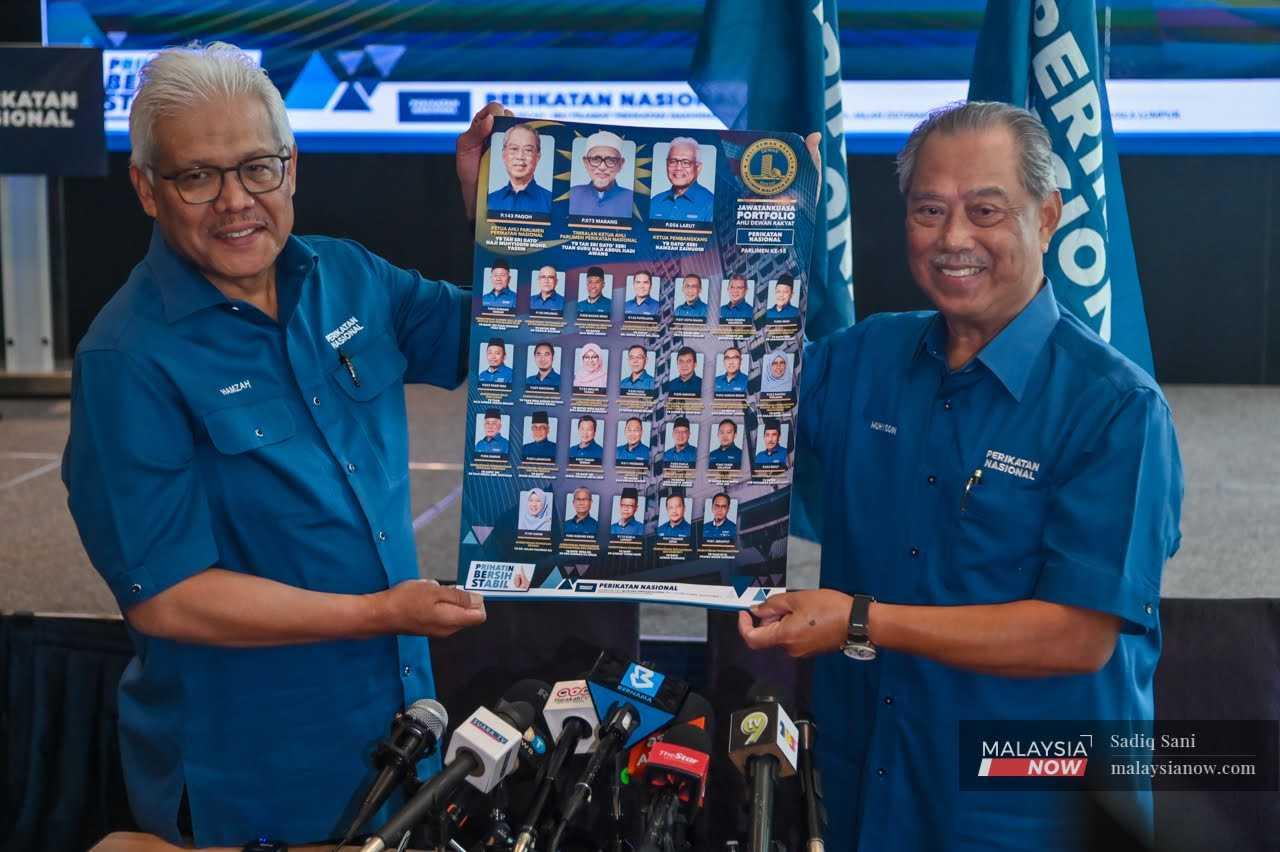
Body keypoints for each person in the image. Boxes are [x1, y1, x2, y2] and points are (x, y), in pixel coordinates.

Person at [61, 45, 498, 845]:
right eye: (198, 176)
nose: (236, 202)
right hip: (255, 776)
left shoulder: (351, 277)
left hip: (403, 742)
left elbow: (510, 341)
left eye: (257, 168)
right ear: (147, 189)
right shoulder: (126, 359)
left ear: (291, 168)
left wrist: (500, 216)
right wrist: (377, 613)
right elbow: (169, 596)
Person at [737, 101, 1184, 851]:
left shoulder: (1116, 409)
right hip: (871, 788)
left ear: (1046, 218)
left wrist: (857, 620)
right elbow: (701, 386)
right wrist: (751, 224)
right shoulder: (863, 359)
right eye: (929, 211)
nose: (953, 239)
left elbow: (1075, 636)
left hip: (1026, 816)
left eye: (985, 210)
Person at [487, 123, 552, 214]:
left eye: (528, 150)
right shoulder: (489, 201)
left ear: (538, 156)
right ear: (503, 154)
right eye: (514, 149)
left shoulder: (551, 202)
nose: (520, 156)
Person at [569, 130, 633, 217]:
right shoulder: (571, 194)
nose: (602, 167)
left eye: (611, 160)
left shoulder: (632, 198)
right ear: (585, 162)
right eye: (595, 159)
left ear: (620, 164)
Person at [649, 137, 714, 221]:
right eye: (673, 161)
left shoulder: (711, 204)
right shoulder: (655, 202)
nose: (678, 168)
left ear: (698, 168)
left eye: (686, 162)